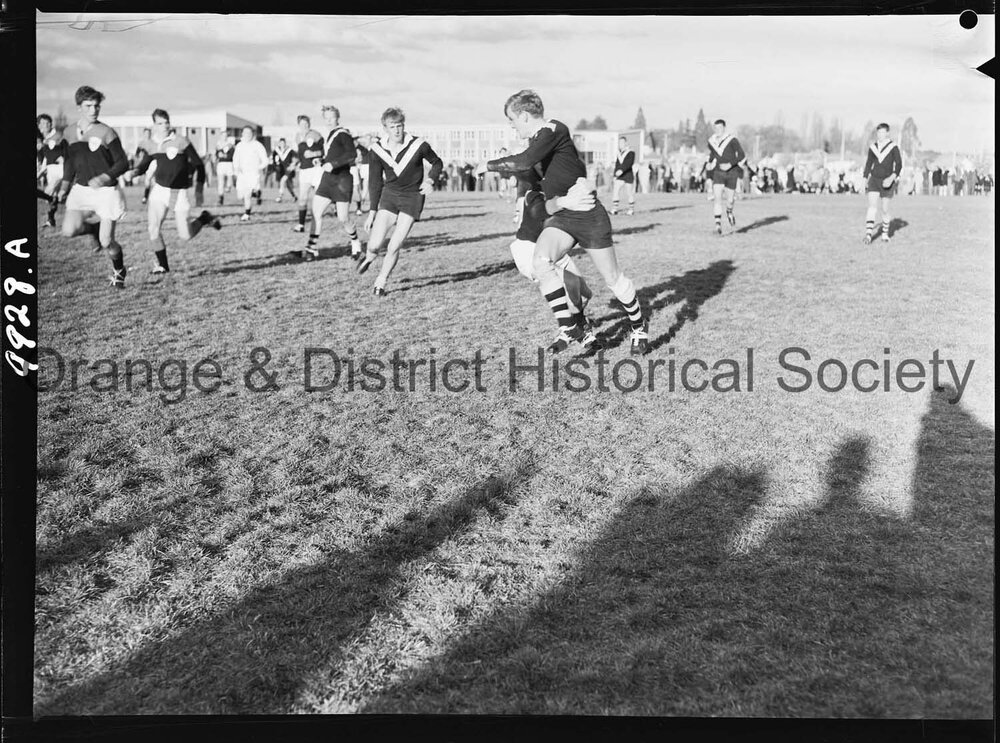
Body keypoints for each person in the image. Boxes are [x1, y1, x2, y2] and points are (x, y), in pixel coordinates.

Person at [486, 89, 648, 355]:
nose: (512, 127)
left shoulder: (554, 129)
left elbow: (526, 161)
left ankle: (638, 327)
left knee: (613, 279)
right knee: (541, 262)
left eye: (512, 120)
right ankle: (570, 327)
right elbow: (543, 173)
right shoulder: (537, 145)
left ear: (524, 116)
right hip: (562, 217)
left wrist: (489, 165)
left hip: (588, 216)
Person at [355, 107, 442, 296]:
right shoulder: (377, 150)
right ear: (385, 128)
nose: (397, 130)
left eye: (400, 126)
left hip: (412, 197)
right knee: (374, 244)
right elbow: (375, 182)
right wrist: (372, 212)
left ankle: (381, 282)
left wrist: (430, 180)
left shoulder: (418, 145)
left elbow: (437, 162)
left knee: (394, 245)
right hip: (390, 196)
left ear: (404, 125)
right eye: (392, 127)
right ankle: (369, 257)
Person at [124, 108, 221, 274]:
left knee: (185, 236)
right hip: (160, 190)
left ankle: (204, 219)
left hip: (179, 193)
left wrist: (199, 189)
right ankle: (163, 266)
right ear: (154, 125)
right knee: (153, 229)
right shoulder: (152, 144)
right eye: (160, 123)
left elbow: (199, 164)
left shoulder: (181, 141)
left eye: (167, 122)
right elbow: (145, 164)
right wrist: (134, 172)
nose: (165, 126)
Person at [509, 166, 596, 351]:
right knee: (570, 284)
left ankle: (571, 329)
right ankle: (576, 333)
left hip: (553, 250)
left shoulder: (562, 193)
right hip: (530, 251)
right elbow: (540, 212)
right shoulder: (534, 194)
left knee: (585, 294)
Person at [57, 85, 130, 287]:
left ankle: (119, 270)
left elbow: (123, 163)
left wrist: (104, 177)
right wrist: (64, 186)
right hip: (81, 189)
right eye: (88, 106)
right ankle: (94, 229)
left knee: (107, 242)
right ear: (79, 106)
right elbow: (69, 162)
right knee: (68, 230)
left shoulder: (107, 132)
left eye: (96, 106)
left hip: (106, 191)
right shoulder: (69, 132)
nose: (93, 110)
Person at [302, 105, 363, 261]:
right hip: (327, 180)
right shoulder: (328, 135)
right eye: (326, 118)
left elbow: (352, 155)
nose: (329, 121)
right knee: (316, 213)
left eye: (332, 117)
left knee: (343, 218)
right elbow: (332, 156)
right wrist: (321, 160)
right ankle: (311, 248)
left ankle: (355, 241)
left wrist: (333, 164)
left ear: (338, 118)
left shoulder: (343, 134)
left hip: (342, 181)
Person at [707, 119, 752, 234]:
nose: (718, 130)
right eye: (716, 128)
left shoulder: (732, 140)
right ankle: (718, 225)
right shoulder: (711, 141)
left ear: (724, 128)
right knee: (717, 198)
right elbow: (713, 154)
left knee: (730, 200)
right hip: (718, 172)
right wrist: (710, 162)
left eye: (720, 128)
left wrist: (730, 164)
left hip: (732, 172)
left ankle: (729, 211)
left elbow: (741, 155)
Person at [861, 123, 902, 244]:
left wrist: (892, 177)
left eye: (882, 132)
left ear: (887, 133)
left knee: (884, 209)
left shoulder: (893, 147)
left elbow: (899, 164)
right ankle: (868, 235)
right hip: (874, 179)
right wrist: (864, 178)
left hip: (887, 181)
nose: (880, 135)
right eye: (878, 133)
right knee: (872, 206)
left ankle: (884, 233)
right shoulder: (873, 147)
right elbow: (869, 163)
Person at [292, 114, 325, 233]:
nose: (304, 126)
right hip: (304, 170)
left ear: (309, 124)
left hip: (316, 169)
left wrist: (314, 154)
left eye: (306, 124)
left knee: (318, 198)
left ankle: (317, 222)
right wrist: (295, 162)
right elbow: (299, 153)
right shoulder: (297, 136)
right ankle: (301, 225)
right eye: (302, 124)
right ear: (298, 125)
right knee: (302, 198)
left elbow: (324, 150)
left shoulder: (316, 134)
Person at [232, 126, 269, 222]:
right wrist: (236, 170)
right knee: (240, 196)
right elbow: (235, 159)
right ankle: (256, 193)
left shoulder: (257, 145)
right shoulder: (239, 145)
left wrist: (258, 168)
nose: (247, 135)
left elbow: (265, 160)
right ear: (242, 134)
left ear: (252, 134)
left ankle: (247, 214)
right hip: (241, 174)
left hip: (252, 174)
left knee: (247, 194)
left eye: (249, 133)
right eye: (245, 133)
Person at [37, 114, 67, 227]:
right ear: (39, 126)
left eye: (48, 122)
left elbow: (67, 149)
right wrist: (40, 173)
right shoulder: (45, 140)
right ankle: (51, 219)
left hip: (59, 170)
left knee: (49, 193)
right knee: (53, 196)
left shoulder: (58, 135)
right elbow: (46, 158)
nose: (46, 125)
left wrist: (63, 158)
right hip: (50, 170)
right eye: (43, 123)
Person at [610, 136, 635, 216]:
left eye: (622, 142)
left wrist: (622, 170)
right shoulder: (618, 153)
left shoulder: (631, 152)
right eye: (619, 143)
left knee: (629, 193)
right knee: (615, 191)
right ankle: (614, 209)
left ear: (625, 143)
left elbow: (629, 163)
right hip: (619, 176)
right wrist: (615, 175)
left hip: (627, 175)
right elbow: (617, 165)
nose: (620, 144)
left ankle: (631, 210)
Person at [272, 138, 297, 203]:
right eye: (281, 143)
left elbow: (296, 158)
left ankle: (280, 197)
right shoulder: (276, 151)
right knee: (288, 185)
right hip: (281, 170)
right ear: (279, 143)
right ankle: (294, 196)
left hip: (288, 169)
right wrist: (276, 166)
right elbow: (274, 160)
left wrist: (293, 164)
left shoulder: (289, 150)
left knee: (283, 181)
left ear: (285, 143)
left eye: (283, 143)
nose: (282, 144)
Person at [213, 134, 236, 206]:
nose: (224, 137)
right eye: (223, 136)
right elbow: (217, 155)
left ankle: (228, 187)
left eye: (225, 136)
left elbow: (230, 155)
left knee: (230, 179)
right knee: (221, 181)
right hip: (221, 164)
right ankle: (221, 197)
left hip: (229, 164)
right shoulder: (218, 145)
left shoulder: (230, 145)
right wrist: (219, 155)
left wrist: (224, 155)